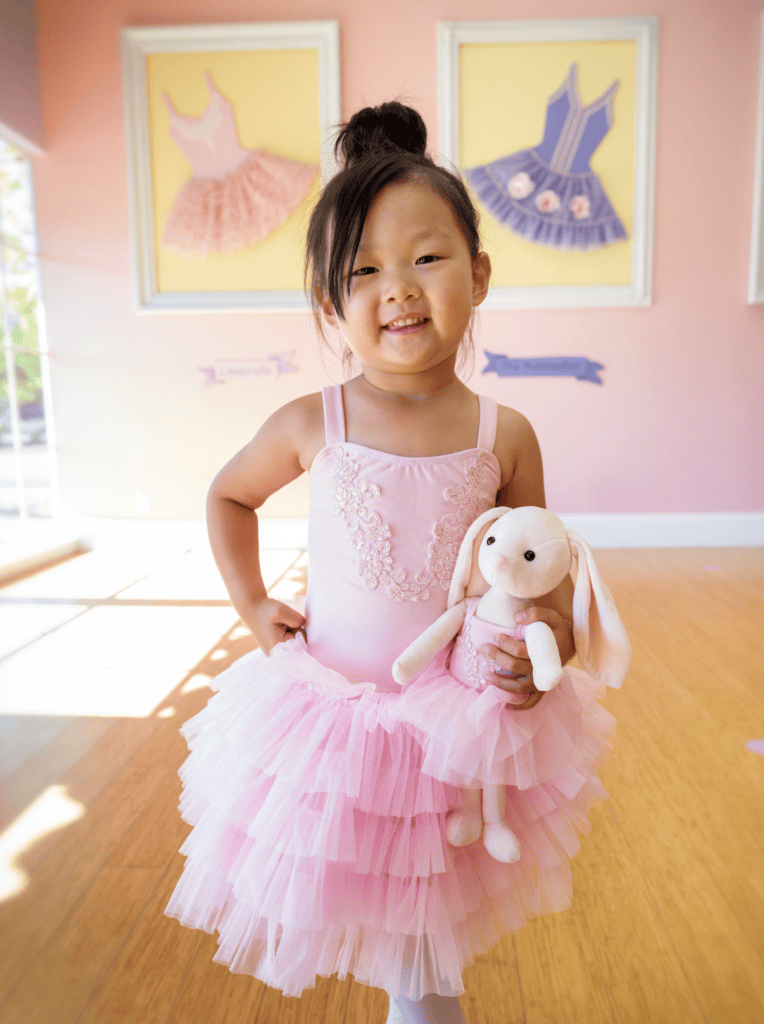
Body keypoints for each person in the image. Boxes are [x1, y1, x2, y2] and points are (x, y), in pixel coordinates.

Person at [165, 102, 618, 1024]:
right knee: (356, 893)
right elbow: (228, 496)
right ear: (330, 303)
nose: (399, 289)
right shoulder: (313, 421)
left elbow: (544, 574)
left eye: (427, 258)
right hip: (334, 723)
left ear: (478, 274)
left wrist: (547, 654)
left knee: (427, 936)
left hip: (455, 730)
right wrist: (253, 604)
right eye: (364, 270)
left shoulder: (505, 433)